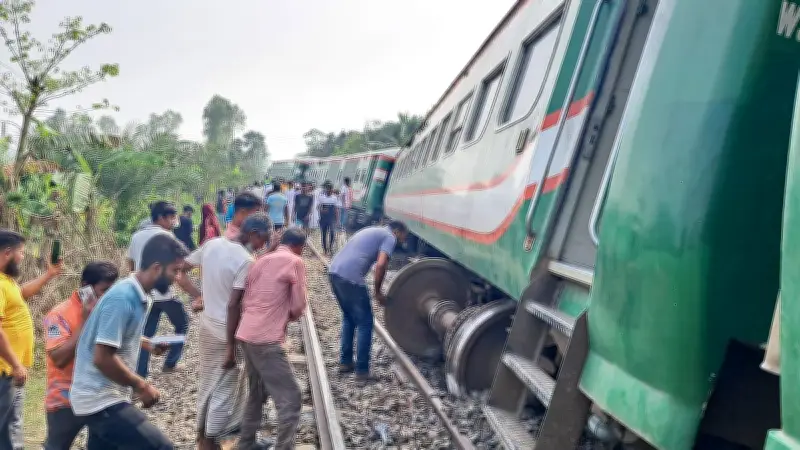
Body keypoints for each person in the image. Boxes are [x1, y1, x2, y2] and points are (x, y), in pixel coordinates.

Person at [70, 234, 186, 450]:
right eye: (175, 270)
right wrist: (141, 385)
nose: (177, 278)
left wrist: (148, 344)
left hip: (106, 396)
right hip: (100, 398)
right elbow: (102, 358)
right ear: (157, 268)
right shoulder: (123, 297)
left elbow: (117, 335)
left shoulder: (141, 295)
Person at [184, 213, 272, 450]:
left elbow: (180, 268)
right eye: (264, 239)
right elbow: (234, 304)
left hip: (207, 325)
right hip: (228, 332)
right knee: (225, 387)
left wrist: (198, 295)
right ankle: (212, 438)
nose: (263, 245)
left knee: (208, 382)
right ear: (253, 234)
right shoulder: (246, 260)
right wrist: (231, 348)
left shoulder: (212, 244)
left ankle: (203, 439)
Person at [227, 228, 307, 450]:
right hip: (266, 340)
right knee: (291, 398)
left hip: (245, 334)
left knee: (257, 391)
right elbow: (298, 306)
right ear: (299, 247)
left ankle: (246, 442)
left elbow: (246, 299)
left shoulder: (260, 260)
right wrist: (283, 317)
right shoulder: (295, 261)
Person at [43, 261, 119, 450]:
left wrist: (147, 344)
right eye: (104, 290)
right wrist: (86, 321)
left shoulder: (105, 308)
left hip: (99, 394)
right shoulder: (57, 315)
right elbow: (59, 359)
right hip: (65, 398)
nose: (108, 296)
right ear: (86, 287)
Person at [0, 230, 62, 449]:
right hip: (5, 369)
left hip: (12, 368)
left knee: (11, 423)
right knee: (7, 425)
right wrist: (15, 364)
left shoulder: (6, 280)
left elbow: (21, 294)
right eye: (22, 252)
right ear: (7, 252)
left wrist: (49, 274)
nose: (23, 257)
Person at [328, 221, 408, 381]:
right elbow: (381, 264)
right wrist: (378, 292)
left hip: (334, 273)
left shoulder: (372, 230)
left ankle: (345, 362)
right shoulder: (389, 237)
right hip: (350, 278)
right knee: (365, 323)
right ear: (398, 231)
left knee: (349, 317)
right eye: (404, 235)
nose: (404, 239)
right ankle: (362, 371)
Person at [129, 201, 200, 378]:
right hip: (164, 294)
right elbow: (178, 271)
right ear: (161, 218)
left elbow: (131, 264)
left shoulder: (136, 237)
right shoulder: (167, 237)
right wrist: (196, 294)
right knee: (182, 323)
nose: (174, 221)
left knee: (146, 333)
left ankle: (141, 374)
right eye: (171, 217)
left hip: (144, 294)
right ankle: (170, 362)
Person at [318, 181, 340, 255]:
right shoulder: (322, 197)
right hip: (324, 218)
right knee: (324, 234)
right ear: (326, 189)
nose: (328, 190)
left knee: (332, 233)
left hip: (332, 218)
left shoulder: (334, 198)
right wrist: (322, 210)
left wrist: (337, 220)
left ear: (332, 190)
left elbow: (336, 209)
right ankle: (324, 249)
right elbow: (318, 207)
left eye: (330, 189)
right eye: (327, 189)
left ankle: (330, 248)